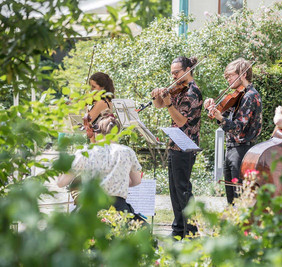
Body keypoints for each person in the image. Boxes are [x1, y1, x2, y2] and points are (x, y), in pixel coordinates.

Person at [57, 109, 146, 224]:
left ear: (96, 132)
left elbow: (61, 183)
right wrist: (117, 180)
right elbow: (137, 181)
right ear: (118, 133)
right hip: (119, 211)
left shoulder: (85, 152)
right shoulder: (127, 152)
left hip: (90, 211)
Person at [151, 56, 203, 239]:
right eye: (172, 73)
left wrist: (168, 103)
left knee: (183, 190)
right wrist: (157, 96)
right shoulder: (178, 89)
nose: (173, 77)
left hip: (186, 146)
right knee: (174, 190)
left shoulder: (193, 92)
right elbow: (158, 105)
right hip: (175, 145)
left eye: (177, 73)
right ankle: (178, 229)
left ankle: (191, 232)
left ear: (188, 70)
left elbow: (181, 121)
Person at [204, 58, 262, 205]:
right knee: (231, 199)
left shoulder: (250, 96)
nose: (228, 79)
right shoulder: (239, 96)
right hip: (232, 149)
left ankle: (243, 228)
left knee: (240, 197)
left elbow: (237, 128)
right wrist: (214, 109)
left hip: (243, 150)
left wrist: (219, 117)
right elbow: (226, 120)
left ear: (242, 75)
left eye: (230, 76)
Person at [86, 72, 115, 143]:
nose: (91, 89)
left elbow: (87, 121)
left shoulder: (102, 102)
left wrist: (84, 105)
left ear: (102, 87)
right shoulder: (107, 100)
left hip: (103, 143)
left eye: (93, 87)